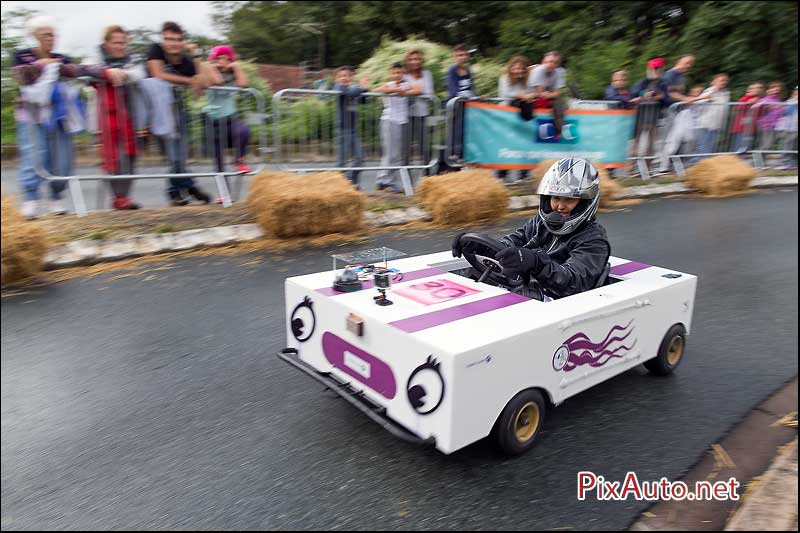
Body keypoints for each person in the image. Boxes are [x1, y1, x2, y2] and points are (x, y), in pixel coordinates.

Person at [452, 158, 610, 301]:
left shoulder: (593, 240)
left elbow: (574, 281)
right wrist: (480, 246)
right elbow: (510, 244)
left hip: (561, 302)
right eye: (555, 198)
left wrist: (537, 264)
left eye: (569, 199)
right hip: (527, 287)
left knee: (518, 298)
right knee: (469, 277)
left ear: (585, 203)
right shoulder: (539, 224)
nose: (560, 206)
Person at [13, 16, 85, 218]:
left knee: (63, 158)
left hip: (60, 115)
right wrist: (42, 65)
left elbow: (74, 71)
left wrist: (49, 64)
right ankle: (31, 198)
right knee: (35, 156)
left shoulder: (62, 57)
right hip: (32, 115)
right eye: (46, 34)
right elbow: (21, 75)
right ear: (35, 36)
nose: (50, 38)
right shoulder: (22, 55)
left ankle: (56, 197)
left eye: (53, 35)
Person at [146, 21, 211, 206]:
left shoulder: (186, 61)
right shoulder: (156, 50)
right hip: (157, 111)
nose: (172, 43)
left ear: (183, 42)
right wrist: (190, 81)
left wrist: (197, 55)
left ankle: (179, 191)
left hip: (179, 109)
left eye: (177, 40)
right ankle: (185, 187)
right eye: (168, 39)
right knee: (174, 156)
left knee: (180, 155)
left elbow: (206, 82)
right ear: (163, 40)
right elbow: (158, 74)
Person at [86, 25, 147, 210]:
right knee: (112, 157)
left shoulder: (133, 59)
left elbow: (140, 74)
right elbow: (86, 72)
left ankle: (123, 196)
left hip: (130, 115)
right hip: (104, 116)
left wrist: (124, 73)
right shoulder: (95, 58)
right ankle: (118, 197)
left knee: (130, 155)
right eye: (116, 42)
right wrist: (107, 73)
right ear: (106, 43)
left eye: (123, 42)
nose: (121, 46)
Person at [202, 45, 251, 185]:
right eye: (219, 58)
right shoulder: (209, 72)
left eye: (226, 58)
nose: (222, 61)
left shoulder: (232, 73)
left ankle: (239, 159)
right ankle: (224, 194)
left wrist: (236, 67)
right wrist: (213, 66)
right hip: (213, 121)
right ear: (213, 59)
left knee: (243, 130)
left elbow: (244, 84)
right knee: (219, 161)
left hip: (230, 119)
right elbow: (217, 82)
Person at [496, 55, 534, 182]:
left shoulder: (528, 80)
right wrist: (523, 95)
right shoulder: (504, 78)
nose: (518, 71)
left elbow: (532, 94)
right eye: (516, 68)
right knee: (506, 143)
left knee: (524, 141)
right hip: (507, 114)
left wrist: (526, 96)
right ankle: (501, 172)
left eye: (521, 69)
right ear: (511, 68)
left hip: (523, 114)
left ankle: (524, 173)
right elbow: (506, 94)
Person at [374, 62, 410, 193]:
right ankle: (383, 180)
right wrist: (396, 90)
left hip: (402, 121)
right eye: (394, 73)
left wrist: (403, 91)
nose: (397, 75)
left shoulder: (406, 84)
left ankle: (389, 180)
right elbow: (377, 90)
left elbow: (418, 89)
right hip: (389, 120)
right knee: (389, 153)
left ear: (403, 73)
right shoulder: (389, 85)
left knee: (396, 154)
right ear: (391, 73)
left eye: (399, 72)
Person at [332, 65, 369, 186]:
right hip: (342, 129)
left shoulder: (353, 88)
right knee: (341, 161)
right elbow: (348, 92)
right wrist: (360, 88)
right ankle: (339, 185)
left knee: (360, 157)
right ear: (337, 79)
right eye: (342, 76)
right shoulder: (338, 87)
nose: (344, 78)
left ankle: (352, 182)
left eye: (348, 75)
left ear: (352, 77)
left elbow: (364, 101)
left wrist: (365, 89)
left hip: (353, 129)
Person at [630, 58, 668, 170]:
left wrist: (658, 96)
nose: (655, 71)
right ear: (649, 69)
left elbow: (666, 99)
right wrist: (644, 95)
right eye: (653, 68)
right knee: (636, 142)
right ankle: (632, 167)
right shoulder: (642, 82)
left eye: (657, 69)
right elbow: (633, 94)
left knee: (651, 144)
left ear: (661, 69)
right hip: (640, 117)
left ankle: (647, 168)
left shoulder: (663, 83)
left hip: (654, 118)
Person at [402, 49, 435, 175]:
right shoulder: (404, 76)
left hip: (422, 114)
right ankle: (406, 178)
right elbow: (403, 93)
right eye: (411, 59)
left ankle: (427, 176)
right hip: (406, 115)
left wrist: (413, 91)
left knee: (424, 147)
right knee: (406, 148)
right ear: (407, 61)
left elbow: (429, 94)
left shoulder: (427, 74)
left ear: (421, 60)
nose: (414, 62)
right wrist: (416, 91)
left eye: (416, 59)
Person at [529, 51, 567, 136]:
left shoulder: (559, 72)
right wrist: (551, 94)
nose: (551, 64)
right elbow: (540, 93)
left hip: (547, 97)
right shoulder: (538, 71)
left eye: (555, 63)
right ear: (543, 62)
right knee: (557, 103)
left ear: (558, 65)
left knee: (561, 103)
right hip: (532, 97)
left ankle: (559, 131)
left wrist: (550, 94)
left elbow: (557, 93)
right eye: (549, 62)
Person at [695, 73, 731, 160]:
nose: (724, 82)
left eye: (725, 81)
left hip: (716, 125)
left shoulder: (726, 93)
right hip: (705, 124)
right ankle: (695, 165)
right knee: (703, 147)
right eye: (721, 80)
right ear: (714, 82)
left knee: (710, 147)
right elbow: (697, 102)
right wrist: (706, 99)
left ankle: (703, 166)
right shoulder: (710, 91)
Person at [730, 82, 764, 153]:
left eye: (759, 88)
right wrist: (747, 102)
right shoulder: (744, 98)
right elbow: (738, 108)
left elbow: (760, 113)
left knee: (747, 148)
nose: (755, 89)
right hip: (741, 128)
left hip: (751, 129)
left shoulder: (761, 100)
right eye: (752, 88)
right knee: (738, 148)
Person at [756, 81, 786, 154]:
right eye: (773, 87)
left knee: (769, 145)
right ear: (769, 89)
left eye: (778, 87)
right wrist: (766, 106)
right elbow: (761, 105)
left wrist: (783, 108)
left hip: (776, 126)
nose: (776, 89)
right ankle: (759, 160)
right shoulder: (766, 99)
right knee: (766, 145)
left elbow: (781, 111)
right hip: (766, 125)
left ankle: (761, 160)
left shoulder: (779, 100)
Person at [774, 86, 798, 169]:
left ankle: (794, 163)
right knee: (788, 145)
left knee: (795, 147)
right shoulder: (790, 101)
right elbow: (785, 112)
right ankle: (785, 162)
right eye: (796, 92)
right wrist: (794, 103)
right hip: (790, 128)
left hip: (796, 128)